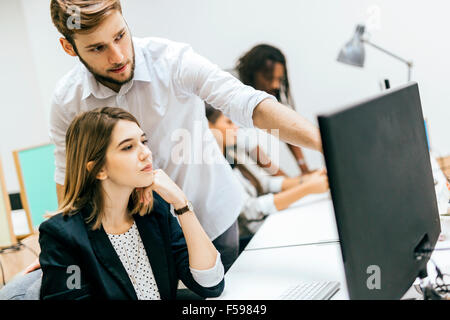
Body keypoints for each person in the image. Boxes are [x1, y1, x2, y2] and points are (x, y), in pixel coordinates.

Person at [27, 0, 323, 275]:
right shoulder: (68, 101)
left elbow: (249, 103)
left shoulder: (171, 60)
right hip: (141, 238)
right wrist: (62, 247)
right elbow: (70, 178)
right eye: (97, 48)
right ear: (69, 47)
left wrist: (327, 145)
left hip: (211, 220)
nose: (117, 56)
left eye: (120, 36)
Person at [39, 107, 224, 300]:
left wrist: (182, 204)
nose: (146, 153)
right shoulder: (64, 236)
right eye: (128, 147)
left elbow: (210, 284)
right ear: (98, 170)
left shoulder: (153, 210)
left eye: (143, 142)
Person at [205, 105, 329, 248]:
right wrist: (308, 188)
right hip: (253, 241)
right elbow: (251, 210)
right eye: (228, 122)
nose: (236, 128)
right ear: (208, 126)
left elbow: (265, 183)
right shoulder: (213, 172)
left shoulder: (233, 153)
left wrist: (306, 179)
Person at [236, 44, 312, 176]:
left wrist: (305, 170)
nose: (275, 85)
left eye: (279, 79)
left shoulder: (269, 91)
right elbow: (251, 147)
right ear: (252, 73)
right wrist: (294, 182)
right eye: (269, 78)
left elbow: (286, 123)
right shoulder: (235, 92)